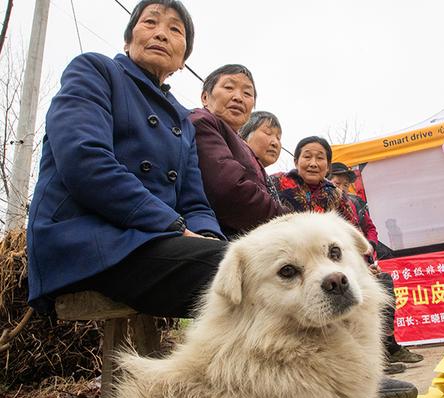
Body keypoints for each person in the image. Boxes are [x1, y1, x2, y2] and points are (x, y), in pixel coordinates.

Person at [27, 0, 227, 318]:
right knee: (252, 277)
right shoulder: (94, 70)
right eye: (150, 22)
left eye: (175, 29)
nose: (161, 33)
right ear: (128, 39)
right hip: (86, 239)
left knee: (253, 263)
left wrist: (209, 237)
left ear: (183, 60)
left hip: (153, 241)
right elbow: (85, 160)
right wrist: (172, 224)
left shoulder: (182, 121)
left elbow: (196, 203)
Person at [272, 137, 419, 398]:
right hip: (295, 271)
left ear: (327, 165)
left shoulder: (336, 195)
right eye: (307, 156)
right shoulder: (278, 186)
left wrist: (365, 262)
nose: (313, 163)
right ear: (296, 161)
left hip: (334, 264)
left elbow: (354, 234)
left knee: (378, 284)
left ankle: (377, 362)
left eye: (320, 158)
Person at [328, 162, 424, 373]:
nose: (341, 187)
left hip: (363, 260)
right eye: (337, 182)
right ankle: (376, 356)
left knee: (385, 283)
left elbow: (369, 228)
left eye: (345, 184)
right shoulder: (326, 202)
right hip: (344, 267)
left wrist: (369, 248)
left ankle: (390, 346)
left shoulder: (355, 202)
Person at [190, 65, 285, 237]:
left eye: (247, 94)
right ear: (205, 97)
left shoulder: (242, 145)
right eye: (228, 87)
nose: (238, 98)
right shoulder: (202, 121)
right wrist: (288, 220)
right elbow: (229, 191)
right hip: (217, 236)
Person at [238, 111, 285, 203]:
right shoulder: (237, 167)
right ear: (244, 136)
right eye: (268, 133)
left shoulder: (265, 178)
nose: (275, 143)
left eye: (278, 138)